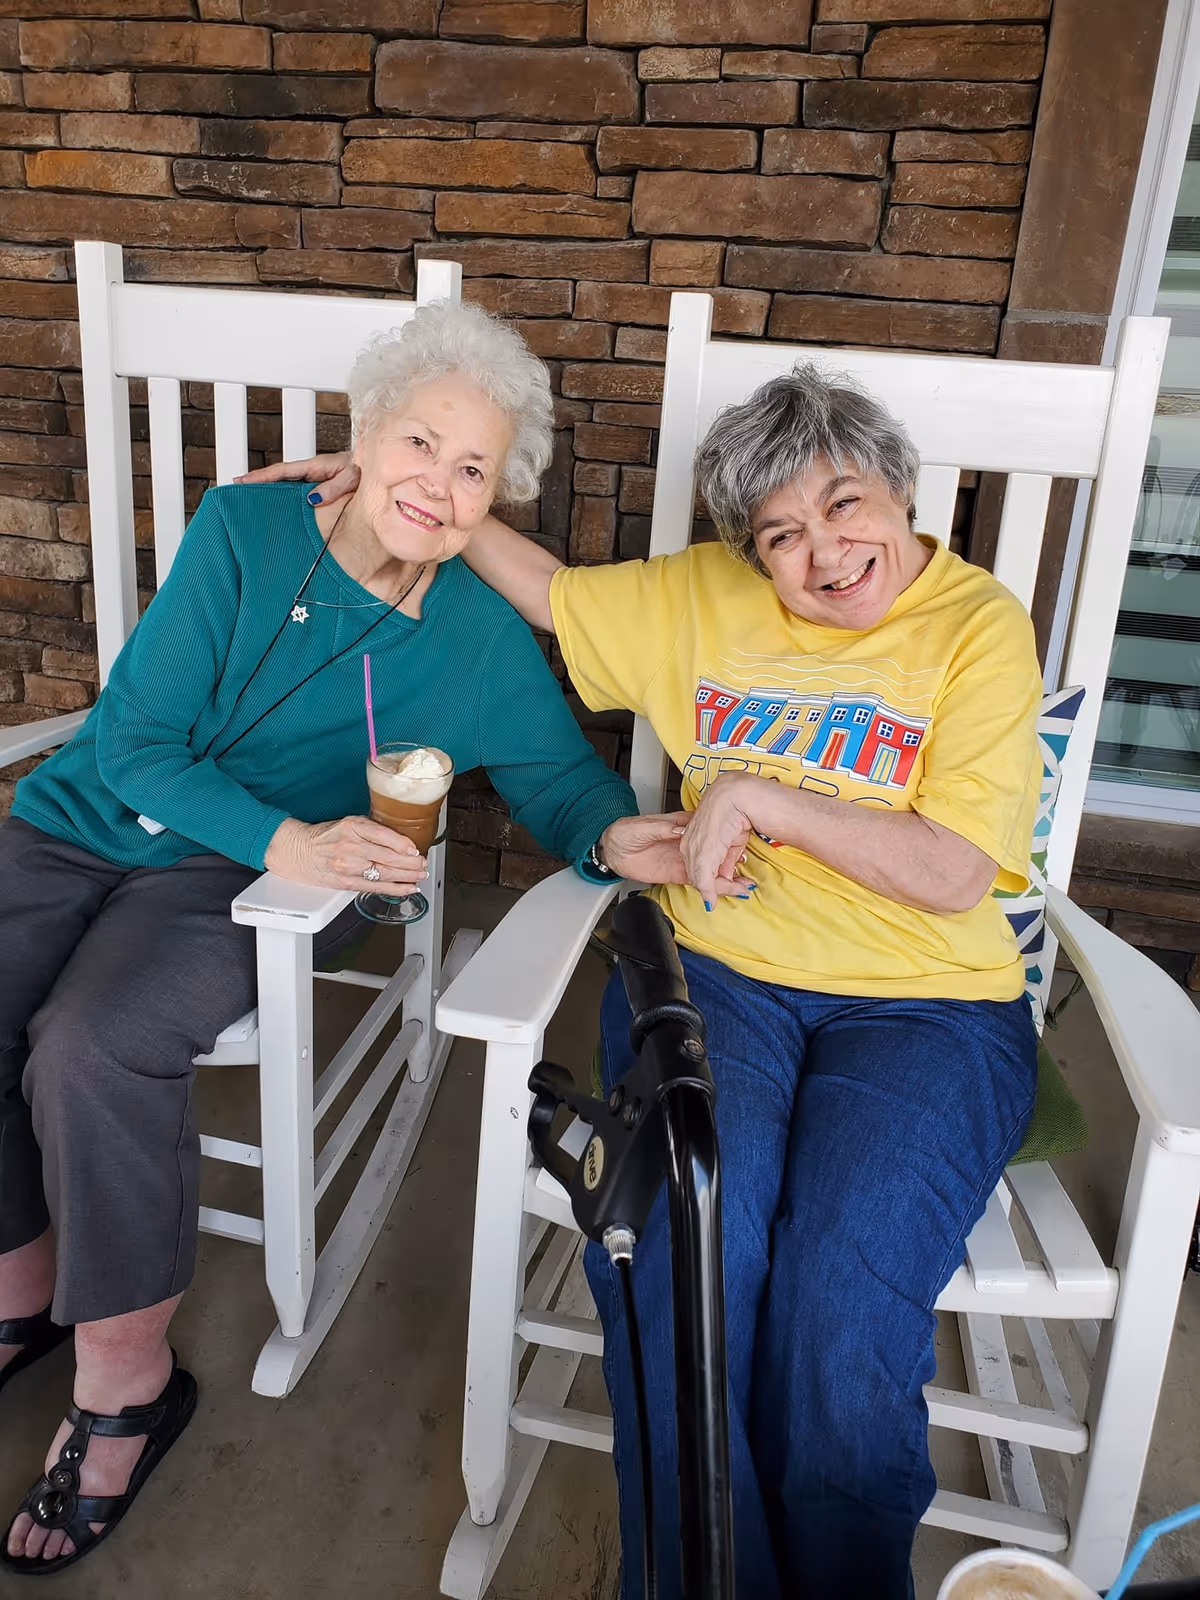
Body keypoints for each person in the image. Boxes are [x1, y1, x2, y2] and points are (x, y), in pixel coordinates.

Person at [266, 362, 1043, 1599]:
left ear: (899, 491)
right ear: (752, 551)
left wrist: (761, 796)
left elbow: (954, 870)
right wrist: (418, 496)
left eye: (846, 506)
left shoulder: (977, 626)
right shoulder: (705, 599)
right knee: (688, 1261)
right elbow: (549, 591)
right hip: (716, 978)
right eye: (782, 534)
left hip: (931, 1010)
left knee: (840, 1300)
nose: (825, 552)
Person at [0, 300, 697, 1576]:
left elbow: (552, 774)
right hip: (89, 815)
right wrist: (295, 840)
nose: (436, 482)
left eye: (473, 467)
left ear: (499, 501)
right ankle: (21, 1287)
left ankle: (126, 1385)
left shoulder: (475, 636)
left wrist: (617, 837)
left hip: (228, 881)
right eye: (419, 442)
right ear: (362, 437)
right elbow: (137, 743)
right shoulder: (242, 527)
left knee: (89, 1043)